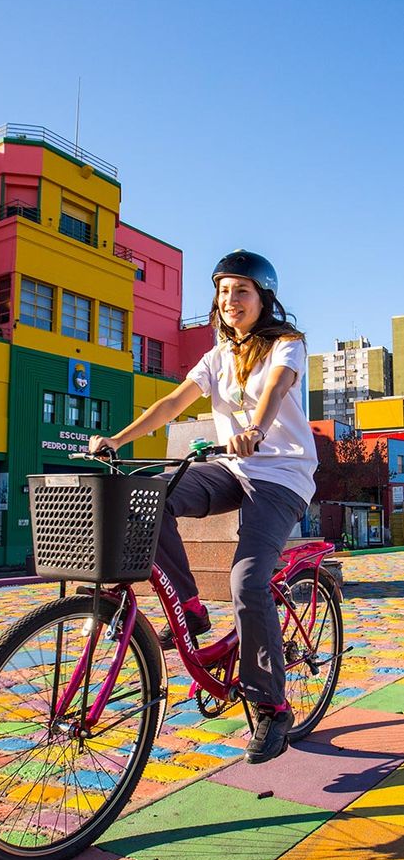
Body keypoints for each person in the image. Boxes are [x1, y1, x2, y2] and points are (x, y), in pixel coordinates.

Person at [90, 249, 317, 765]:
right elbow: (171, 403)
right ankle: (189, 609)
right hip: (232, 468)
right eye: (222, 291)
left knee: (247, 581)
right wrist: (118, 440)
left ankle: (270, 704)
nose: (230, 300)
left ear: (264, 298)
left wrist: (255, 430)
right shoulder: (216, 357)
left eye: (241, 290)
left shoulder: (287, 345)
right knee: (147, 500)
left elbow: (278, 388)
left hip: (280, 475)